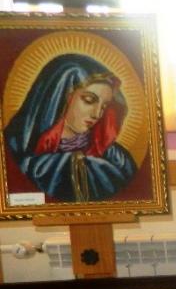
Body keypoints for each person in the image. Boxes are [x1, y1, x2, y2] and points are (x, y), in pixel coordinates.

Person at [4, 53, 137, 202]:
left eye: (104, 106)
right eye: (89, 100)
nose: (97, 114)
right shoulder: (18, 154)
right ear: (62, 96)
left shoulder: (117, 159)